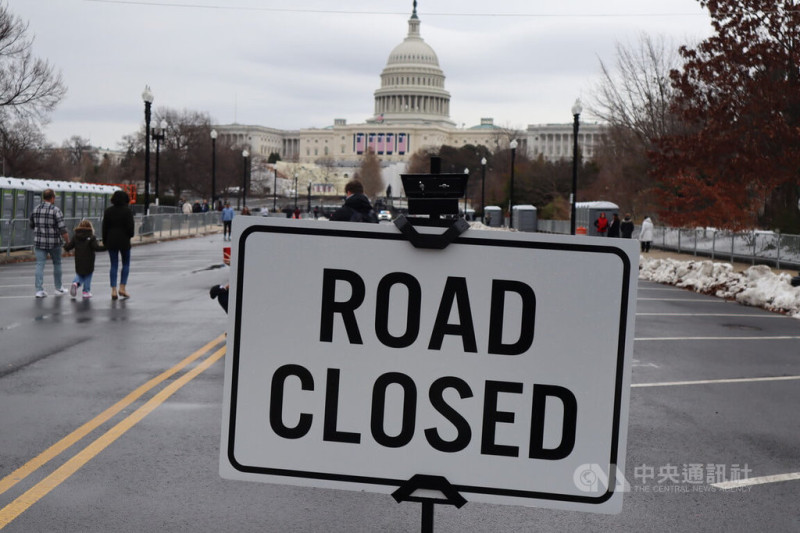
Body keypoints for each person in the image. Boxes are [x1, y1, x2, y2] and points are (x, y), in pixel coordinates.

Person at [31, 188, 70, 298]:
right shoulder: (56, 210)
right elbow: (63, 229)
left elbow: (31, 225)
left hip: (39, 242)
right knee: (57, 264)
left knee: (40, 265)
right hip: (54, 243)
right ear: (52, 198)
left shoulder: (36, 209)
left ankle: (39, 290)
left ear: (44, 197)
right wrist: (68, 242)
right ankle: (58, 288)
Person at [102, 189, 135, 300]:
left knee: (114, 265)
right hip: (124, 240)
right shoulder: (127, 211)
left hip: (111, 240)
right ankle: (122, 287)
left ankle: (113, 290)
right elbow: (131, 228)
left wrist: (105, 240)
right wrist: (129, 235)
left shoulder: (108, 211)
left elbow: (104, 227)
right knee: (125, 264)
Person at [64, 219, 105, 299]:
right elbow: (96, 248)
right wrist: (106, 247)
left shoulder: (76, 236)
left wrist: (65, 246)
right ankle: (86, 291)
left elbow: (69, 246)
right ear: (90, 227)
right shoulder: (92, 237)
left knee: (80, 273)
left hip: (78, 259)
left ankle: (75, 283)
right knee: (88, 274)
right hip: (89, 260)